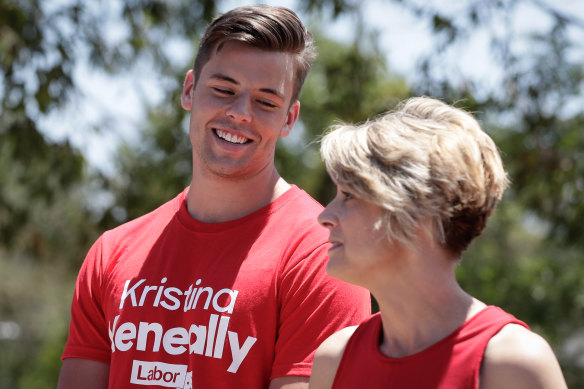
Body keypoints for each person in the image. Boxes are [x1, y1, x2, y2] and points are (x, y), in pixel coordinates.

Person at [57, 5, 371, 389]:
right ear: (189, 89)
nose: (240, 113)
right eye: (224, 90)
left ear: (289, 118)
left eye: (266, 102)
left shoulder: (324, 254)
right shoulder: (112, 252)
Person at [309, 97, 568, 389]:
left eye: (349, 195)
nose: (325, 216)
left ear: (418, 211)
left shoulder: (513, 364)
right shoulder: (334, 359)